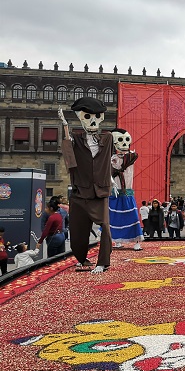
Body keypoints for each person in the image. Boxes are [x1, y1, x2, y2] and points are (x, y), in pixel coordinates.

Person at [59, 98, 113, 274]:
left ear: (102, 118)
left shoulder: (108, 137)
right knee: (77, 229)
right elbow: (70, 161)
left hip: (100, 191)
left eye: (97, 117)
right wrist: (65, 127)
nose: (92, 121)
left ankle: (103, 262)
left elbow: (107, 161)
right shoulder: (75, 139)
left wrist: (111, 179)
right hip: (80, 191)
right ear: (80, 118)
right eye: (87, 116)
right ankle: (82, 258)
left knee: (105, 226)